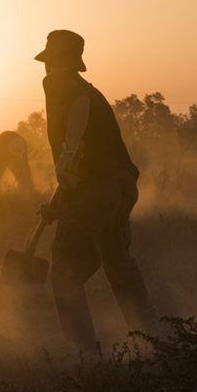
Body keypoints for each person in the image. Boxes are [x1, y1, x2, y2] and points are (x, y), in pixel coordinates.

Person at [35, 30, 156, 351]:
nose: (45, 68)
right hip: (120, 186)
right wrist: (59, 200)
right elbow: (84, 168)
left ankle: (83, 353)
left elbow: (79, 107)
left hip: (97, 191)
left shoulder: (60, 82)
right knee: (119, 262)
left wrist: (68, 153)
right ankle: (151, 339)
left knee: (64, 270)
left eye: (48, 60)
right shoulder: (91, 89)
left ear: (57, 60)